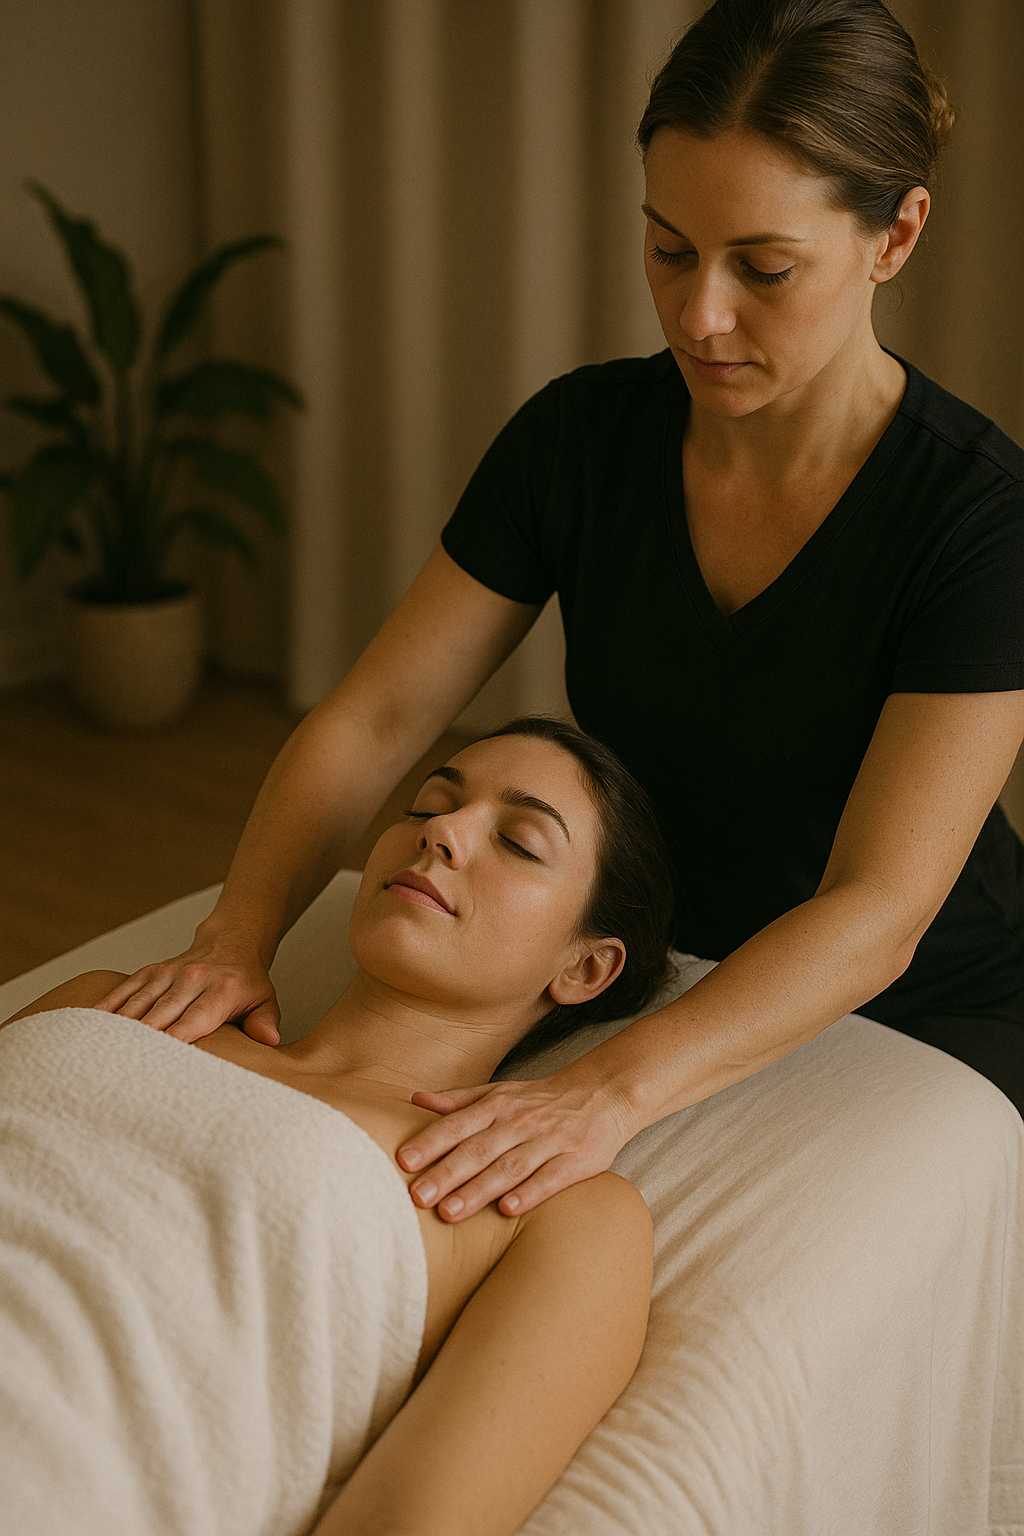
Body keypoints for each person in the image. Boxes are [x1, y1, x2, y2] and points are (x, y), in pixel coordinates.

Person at [97, 0, 1024, 1231]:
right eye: (666, 249)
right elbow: (377, 719)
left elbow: (877, 908)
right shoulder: (578, 441)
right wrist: (237, 931)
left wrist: (605, 1092)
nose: (699, 315)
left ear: (894, 235)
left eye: (763, 268)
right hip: (622, 952)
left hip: (916, 1005)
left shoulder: (979, 518)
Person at [1, 719, 671, 1536]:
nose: (442, 834)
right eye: (427, 806)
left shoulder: (554, 1207)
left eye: (521, 842)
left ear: (586, 966)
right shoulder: (112, 1001)